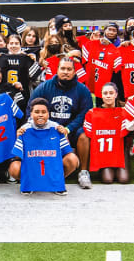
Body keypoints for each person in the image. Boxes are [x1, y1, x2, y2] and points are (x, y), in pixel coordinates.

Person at [31, 56, 94, 188]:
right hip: (49, 128)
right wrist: (48, 127)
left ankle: (83, 172)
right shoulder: (45, 87)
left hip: (72, 129)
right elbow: (32, 108)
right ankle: (39, 172)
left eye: (69, 69)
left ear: (74, 72)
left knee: (84, 135)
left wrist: (68, 129)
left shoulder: (82, 90)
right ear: (57, 70)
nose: (65, 71)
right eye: (63, 68)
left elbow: (85, 114)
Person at [10, 98, 79, 196]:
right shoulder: (25, 130)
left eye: (44, 112)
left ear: (48, 114)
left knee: (72, 158)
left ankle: (55, 182)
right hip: (33, 167)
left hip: (51, 166)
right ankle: (30, 183)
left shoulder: (56, 128)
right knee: (14, 167)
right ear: (31, 114)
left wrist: (64, 135)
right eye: (36, 112)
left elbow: (66, 151)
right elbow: (17, 156)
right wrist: (18, 138)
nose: (40, 115)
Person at [79, 82, 129, 184]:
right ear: (101, 95)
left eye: (111, 93)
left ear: (116, 94)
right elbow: (89, 135)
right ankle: (103, 168)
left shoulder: (123, 112)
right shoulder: (93, 113)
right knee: (108, 180)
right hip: (104, 154)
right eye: (105, 93)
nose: (108, 96)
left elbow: (128, 131)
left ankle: (125, 164)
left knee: (124, 179)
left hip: (119, 152)